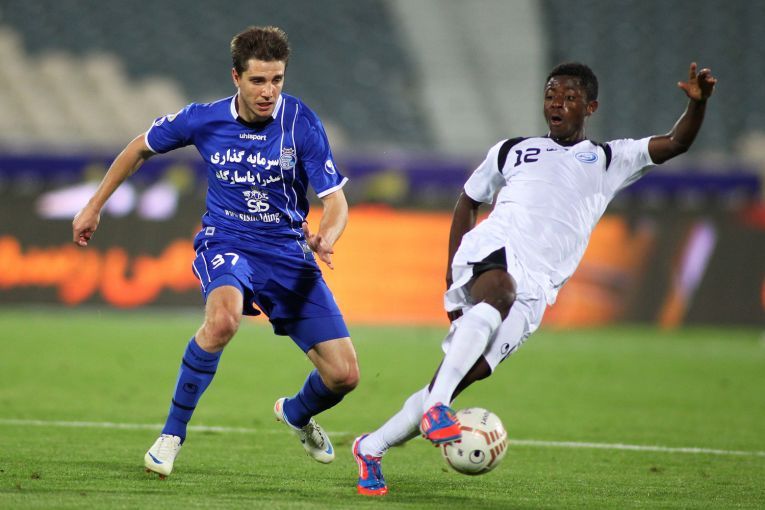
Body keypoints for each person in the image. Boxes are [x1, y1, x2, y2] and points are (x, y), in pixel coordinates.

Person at [352, 61, 717, 496]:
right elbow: (468, 201)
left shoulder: (609, 159)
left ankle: (371, 448)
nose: (557, 104)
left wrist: (697, 105)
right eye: (550, 95)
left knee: (464, 373)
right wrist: (451, 273)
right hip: (496, 248)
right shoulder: (512, 150)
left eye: (569, 97)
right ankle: (436, 408)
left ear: (591, 107)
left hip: (539, 285)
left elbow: (676, 143)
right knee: (498, 294)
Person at [72, 26, 360, 478]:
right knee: (223, 320)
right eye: (258, 80)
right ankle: (171, 436)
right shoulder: (203, 119)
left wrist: (327, 235)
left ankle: (296, 413)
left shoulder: (300, 122)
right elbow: (139, 148)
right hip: (227, 241)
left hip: (287, 253)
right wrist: (93, 205)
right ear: (236, 77)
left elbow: (336, 201)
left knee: (344, 376)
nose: (268, 92)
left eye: (277, 80)